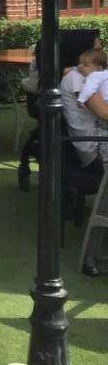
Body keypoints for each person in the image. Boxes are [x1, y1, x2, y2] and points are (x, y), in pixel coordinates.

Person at [75, 51, 108, 276]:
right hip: (103, 141)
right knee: (105, 200)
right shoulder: (91, 79)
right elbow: (103, 112)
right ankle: (90, 257)